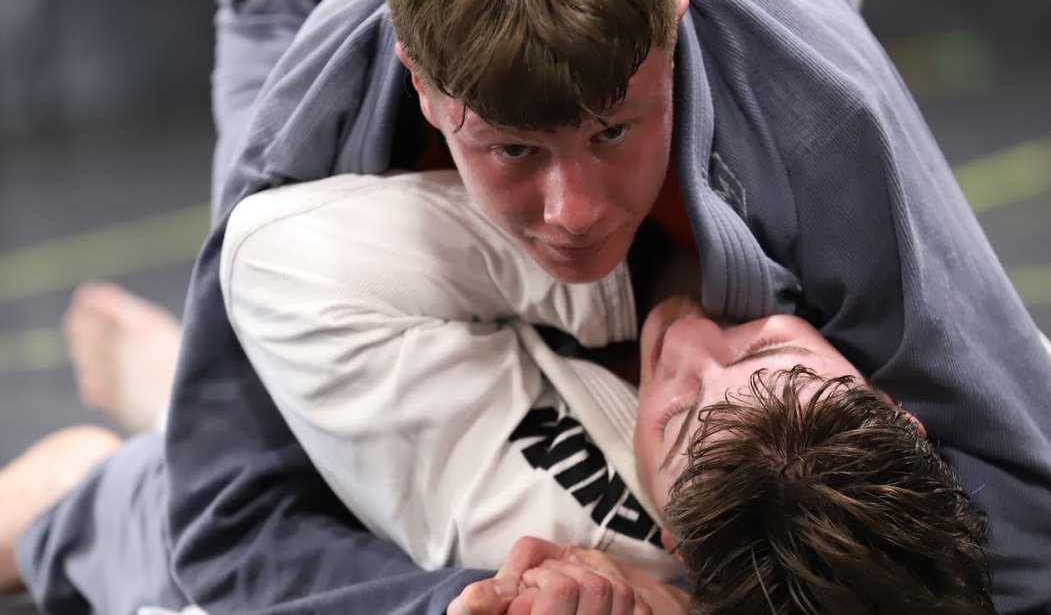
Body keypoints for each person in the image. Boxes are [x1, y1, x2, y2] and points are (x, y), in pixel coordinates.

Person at [0, 0, 1051, 612]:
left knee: (728, 466)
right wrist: (467, 604)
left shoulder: (812, 116)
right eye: (512, 150)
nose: (574, 210)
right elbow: (232, 534)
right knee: (287, 419)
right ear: (425, 89)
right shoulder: (312, 128)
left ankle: (175, 387)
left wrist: (711, 580)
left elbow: (1046, 519)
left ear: (672, 34)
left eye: (612, 130)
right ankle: (75, 494)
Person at [219, 170, 996, 614]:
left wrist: (588, 265)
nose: (690, 337)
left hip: (263, 433)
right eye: (767, 349)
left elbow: (269, 256)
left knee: (171, 489)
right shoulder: (970, 390)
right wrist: (631, 276)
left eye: (681, 417)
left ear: (678, 540)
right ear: (896, 413)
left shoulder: (560, 528)